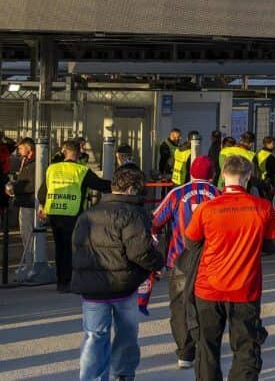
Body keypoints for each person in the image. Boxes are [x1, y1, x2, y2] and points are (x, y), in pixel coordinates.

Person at [184, 155, 275, 381]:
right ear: (248, 176)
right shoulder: (263, 207)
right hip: (245, 289)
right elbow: (271, 246)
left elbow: (190, 242)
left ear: (223, 176)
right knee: (246, 347)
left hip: (208, 287)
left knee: (207, 347)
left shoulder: (207, 208)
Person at [71, 165, 164, 381]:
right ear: (132, 189)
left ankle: (92, 377)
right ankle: (122, 374)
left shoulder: (88, 213)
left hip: (92, 288)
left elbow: (76, 247)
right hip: (124, 285)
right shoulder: (132, 214)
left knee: (94, 337)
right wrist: (158, 262)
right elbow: (139, 252)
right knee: (127, 334)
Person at [151, 156, 219, 370]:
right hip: (210, 259)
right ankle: (205, 348)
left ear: (191, 173)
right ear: (212, 174)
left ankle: (185, 352)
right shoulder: (219, 195)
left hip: (180, 257)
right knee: (207, 305)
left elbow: (155, 221)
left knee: (180, 305)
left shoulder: (177, 193)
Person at [37, 139, 111, 292]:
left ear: (65, 152)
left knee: (60, 248)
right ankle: (70, 281)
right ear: (79, 154)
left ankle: (61, 282)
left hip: (55, 214)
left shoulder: (52, 169)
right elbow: (102, 185)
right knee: (72, 248)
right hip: (73, 214)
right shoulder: (81, 171)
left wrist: (43, 207)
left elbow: (41, 193)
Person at [6, 137, 39, 282]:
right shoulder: (26, 162)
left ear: (29, 148)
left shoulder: (34, 164)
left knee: (29, 236)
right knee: (25, 236)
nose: (18, 151)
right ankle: (28, 264)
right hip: (24, 202)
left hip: (29, 204)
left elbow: (32, 185)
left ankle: (32, 266)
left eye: (20, 148)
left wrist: (14, 188)